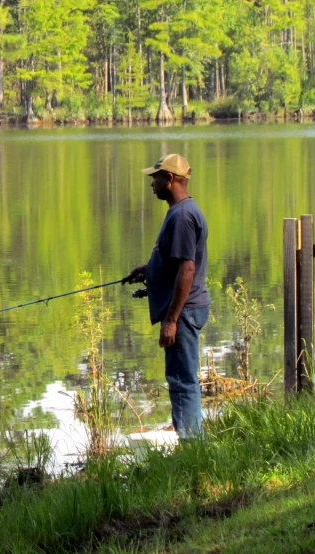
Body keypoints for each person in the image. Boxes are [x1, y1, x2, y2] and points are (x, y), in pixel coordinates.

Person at [122, 153, 210, 439]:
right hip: (183, 309)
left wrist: (171, 319)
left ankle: (192, 447)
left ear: (170, 179)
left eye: (155, 177)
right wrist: (150, 269)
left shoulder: (183, 216)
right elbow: (176, 261)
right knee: (181, 378)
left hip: (183, 311)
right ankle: (191, 443)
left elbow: (187, 268)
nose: (152, 183)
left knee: (182, 381)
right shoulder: (181, 211)